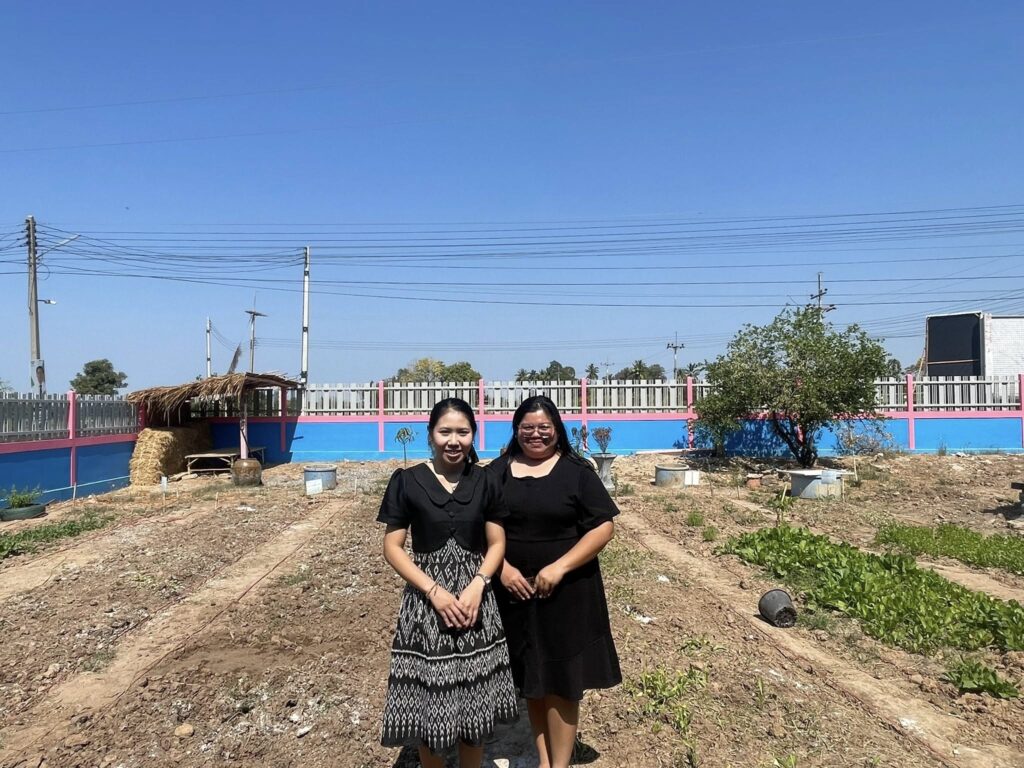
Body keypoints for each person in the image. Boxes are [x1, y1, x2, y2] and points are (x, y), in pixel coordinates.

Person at [377, 397, 518, 768]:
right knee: (431, 707)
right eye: (445, 432)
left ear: (473, 435)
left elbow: (497, 543)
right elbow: (393, 547)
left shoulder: (486, 480)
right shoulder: (407, 481)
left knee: (475, 707)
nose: (454, 440)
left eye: (463, 432)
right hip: (426, 606)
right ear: (430, 435)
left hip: (476, 603)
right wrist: (434, 592)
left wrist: (478, 584)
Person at [487, 395, 621, 768]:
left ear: (557, 429)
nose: (536, 434)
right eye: (527, 427)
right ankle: (544, 760)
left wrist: (560, 567)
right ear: (516, 430)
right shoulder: (496, 472)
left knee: (562, 681)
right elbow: (480, 526)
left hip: (568, 593)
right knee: (532, 676)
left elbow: (603, 527)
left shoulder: (577, 472)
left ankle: (558, 764)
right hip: (515, 594)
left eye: (544, 427)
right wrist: (503, 569)